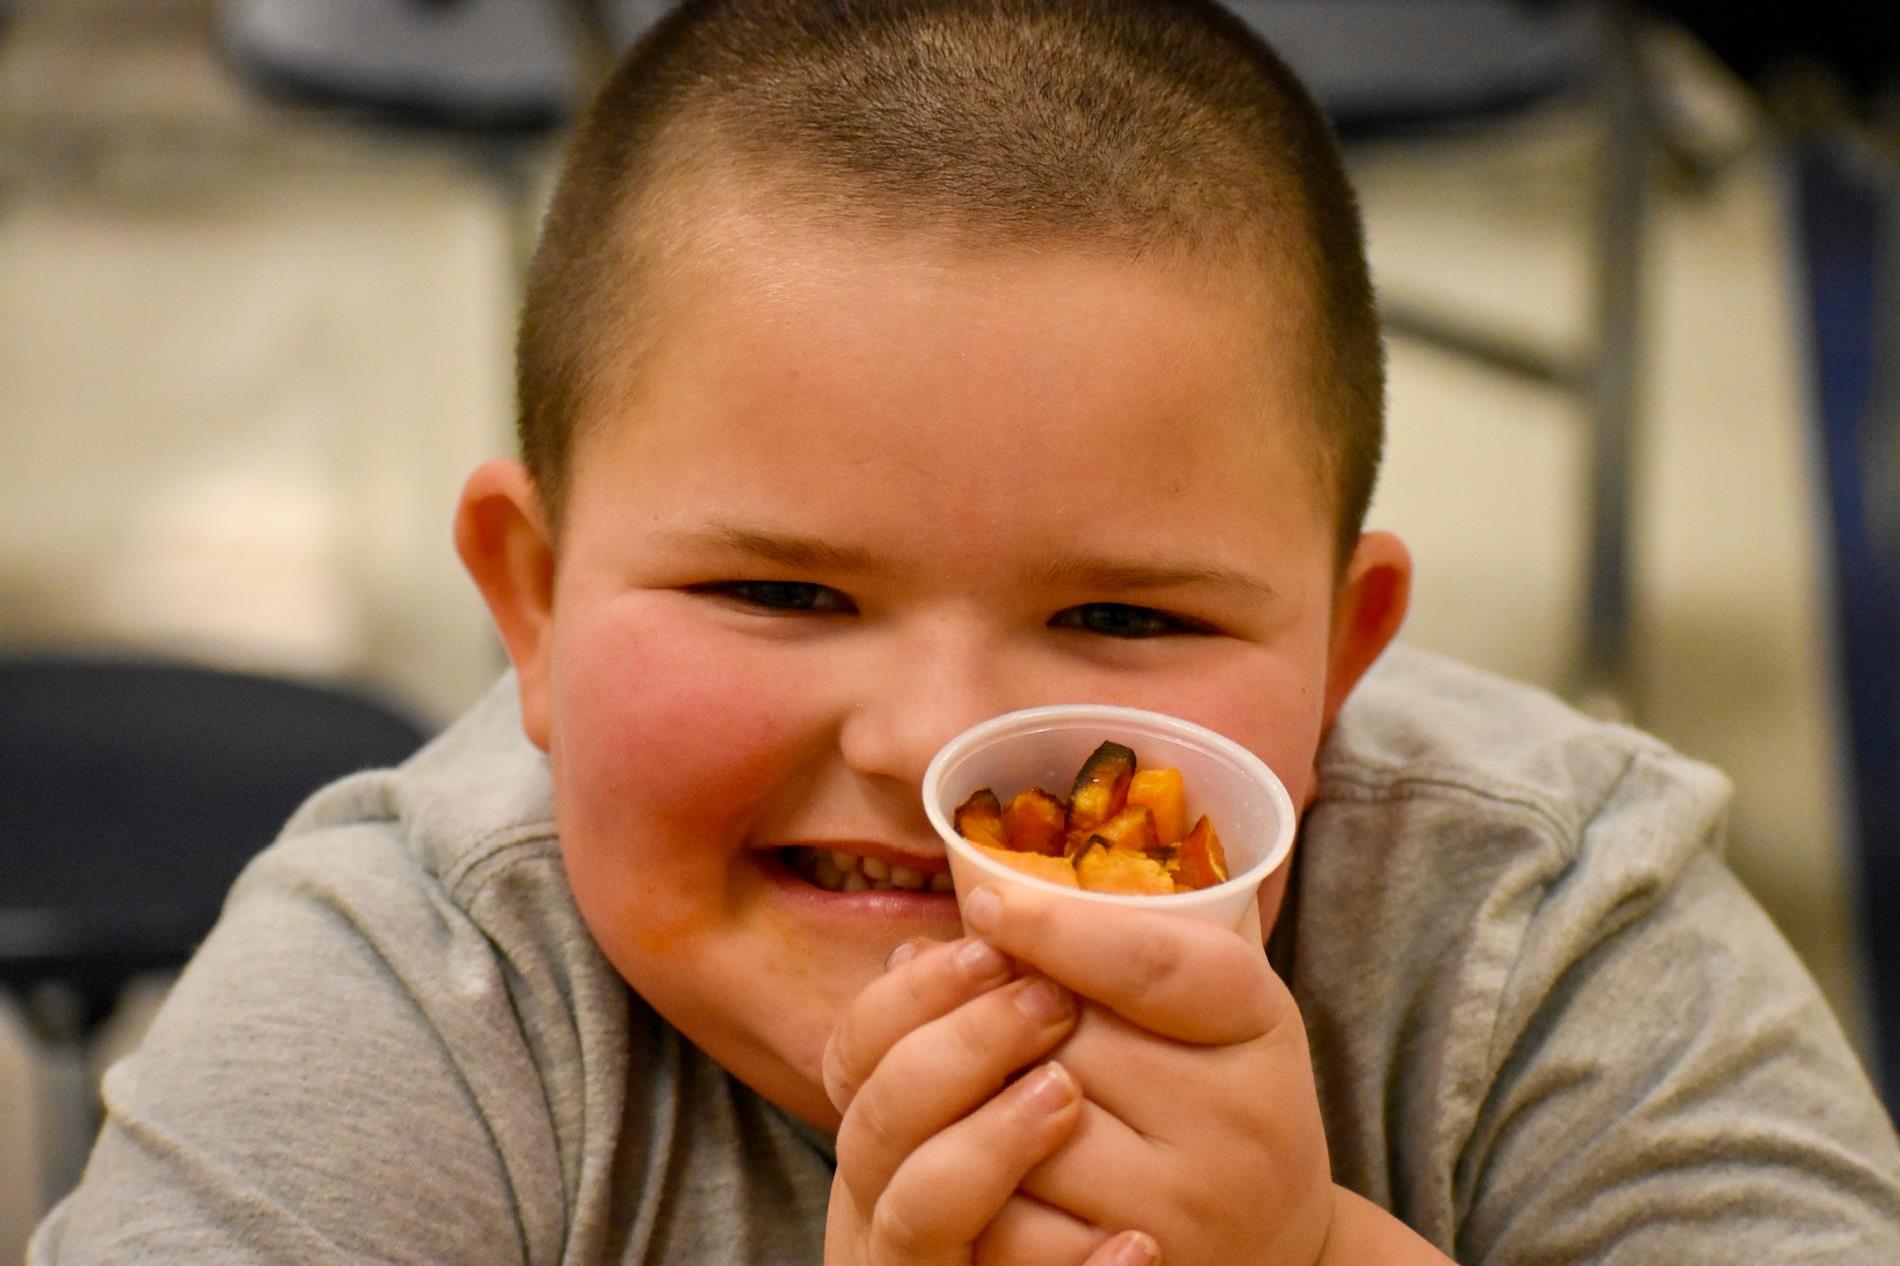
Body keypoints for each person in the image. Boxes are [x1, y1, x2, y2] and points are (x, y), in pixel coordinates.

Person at [31, 1, 1900, 1262]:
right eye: (781, 591)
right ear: (530, 603)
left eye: (1122, 614)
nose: (940, 744)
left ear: (1342, 661)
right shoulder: (422, 995)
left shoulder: (1536, 930)